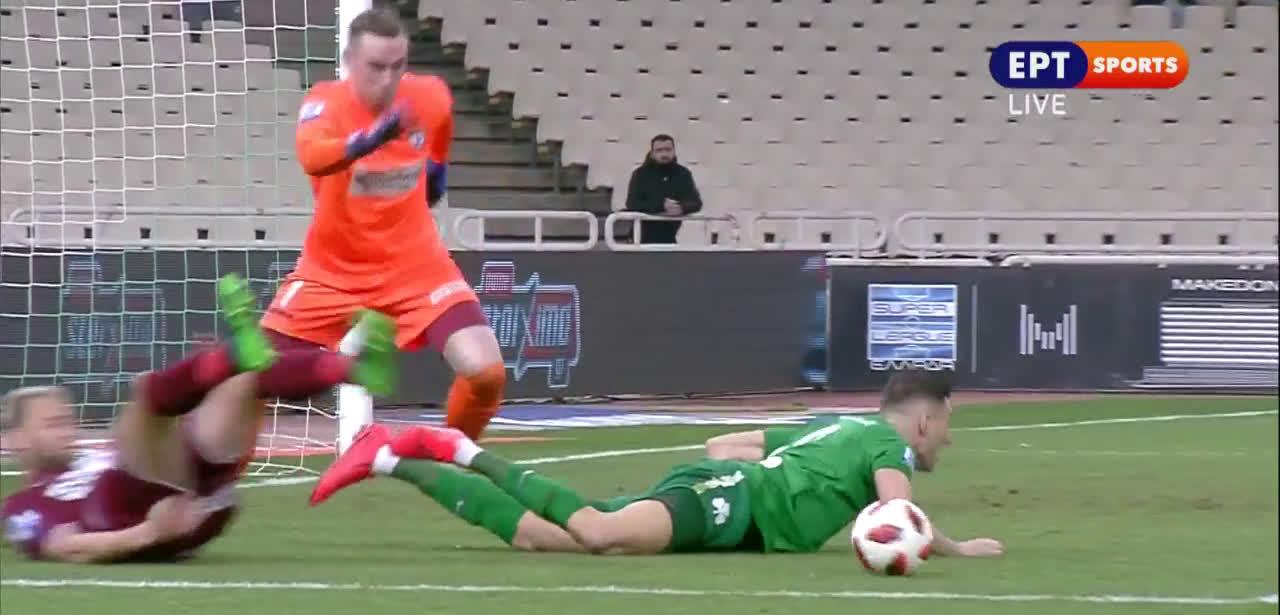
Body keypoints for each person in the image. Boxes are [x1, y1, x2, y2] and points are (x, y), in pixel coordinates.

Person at [309, 370, 1004, 559]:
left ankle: (390, 460)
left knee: (540, 536)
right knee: (597, 533)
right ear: (924, 419)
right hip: (730, 505)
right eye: (946, 427)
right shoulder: (887, 445)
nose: (945, 442)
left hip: (727, 499)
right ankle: (455, 449)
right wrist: (956, 548)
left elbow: (722, 446)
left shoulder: (837, 426)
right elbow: (896, 510)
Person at [0, 275, 396, 563]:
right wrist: (148, 533)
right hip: (131, 518)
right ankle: (229, 355)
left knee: (243, 383)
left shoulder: (91, 458)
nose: (67, 431)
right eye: (51, 424)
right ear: (15, 438)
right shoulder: (22, 505)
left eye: (66, 420)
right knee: (145, 396)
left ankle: (351, 369)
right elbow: (63, 546)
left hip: (195, 492)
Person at [261, 7, 505, 441]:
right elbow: (313, 156)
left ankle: (449, 459)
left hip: (416, 268)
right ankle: (350, 368)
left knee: (486, 373)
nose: (388, 78)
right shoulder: (324, 102)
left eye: (398, 66)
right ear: (349, 62)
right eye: (376, 67)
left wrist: (436, 173)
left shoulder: (429, 97)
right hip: (332, 271)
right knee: (254, 375)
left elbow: (439, 144)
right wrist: (372, 138)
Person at [623, 134, 703, 245]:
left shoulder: (683, 174)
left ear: (674, 151)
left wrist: (681, 207)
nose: (664, 154)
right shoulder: (640, 174)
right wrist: (662, 206)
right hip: (640, 240)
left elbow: (696, 202)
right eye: (659, 150)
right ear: (652, 153)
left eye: (668, 149)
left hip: (669, 239)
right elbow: (632, 203)